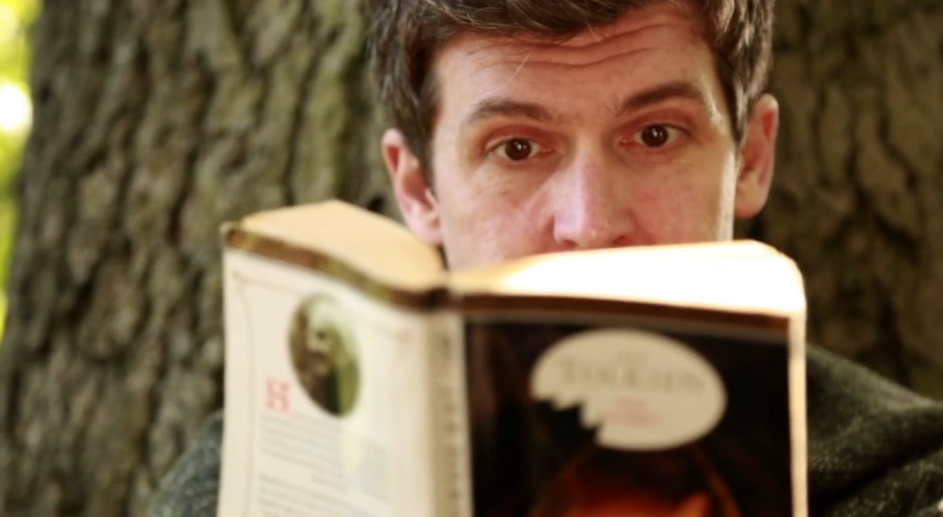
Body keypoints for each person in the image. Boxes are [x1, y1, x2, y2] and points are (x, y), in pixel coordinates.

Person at [147, 0, 943, 516]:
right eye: (517, 147)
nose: (590, 226)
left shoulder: (907, 482)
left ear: (753, 158)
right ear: (419, 189)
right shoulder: (251, 479)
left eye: (655, 135)